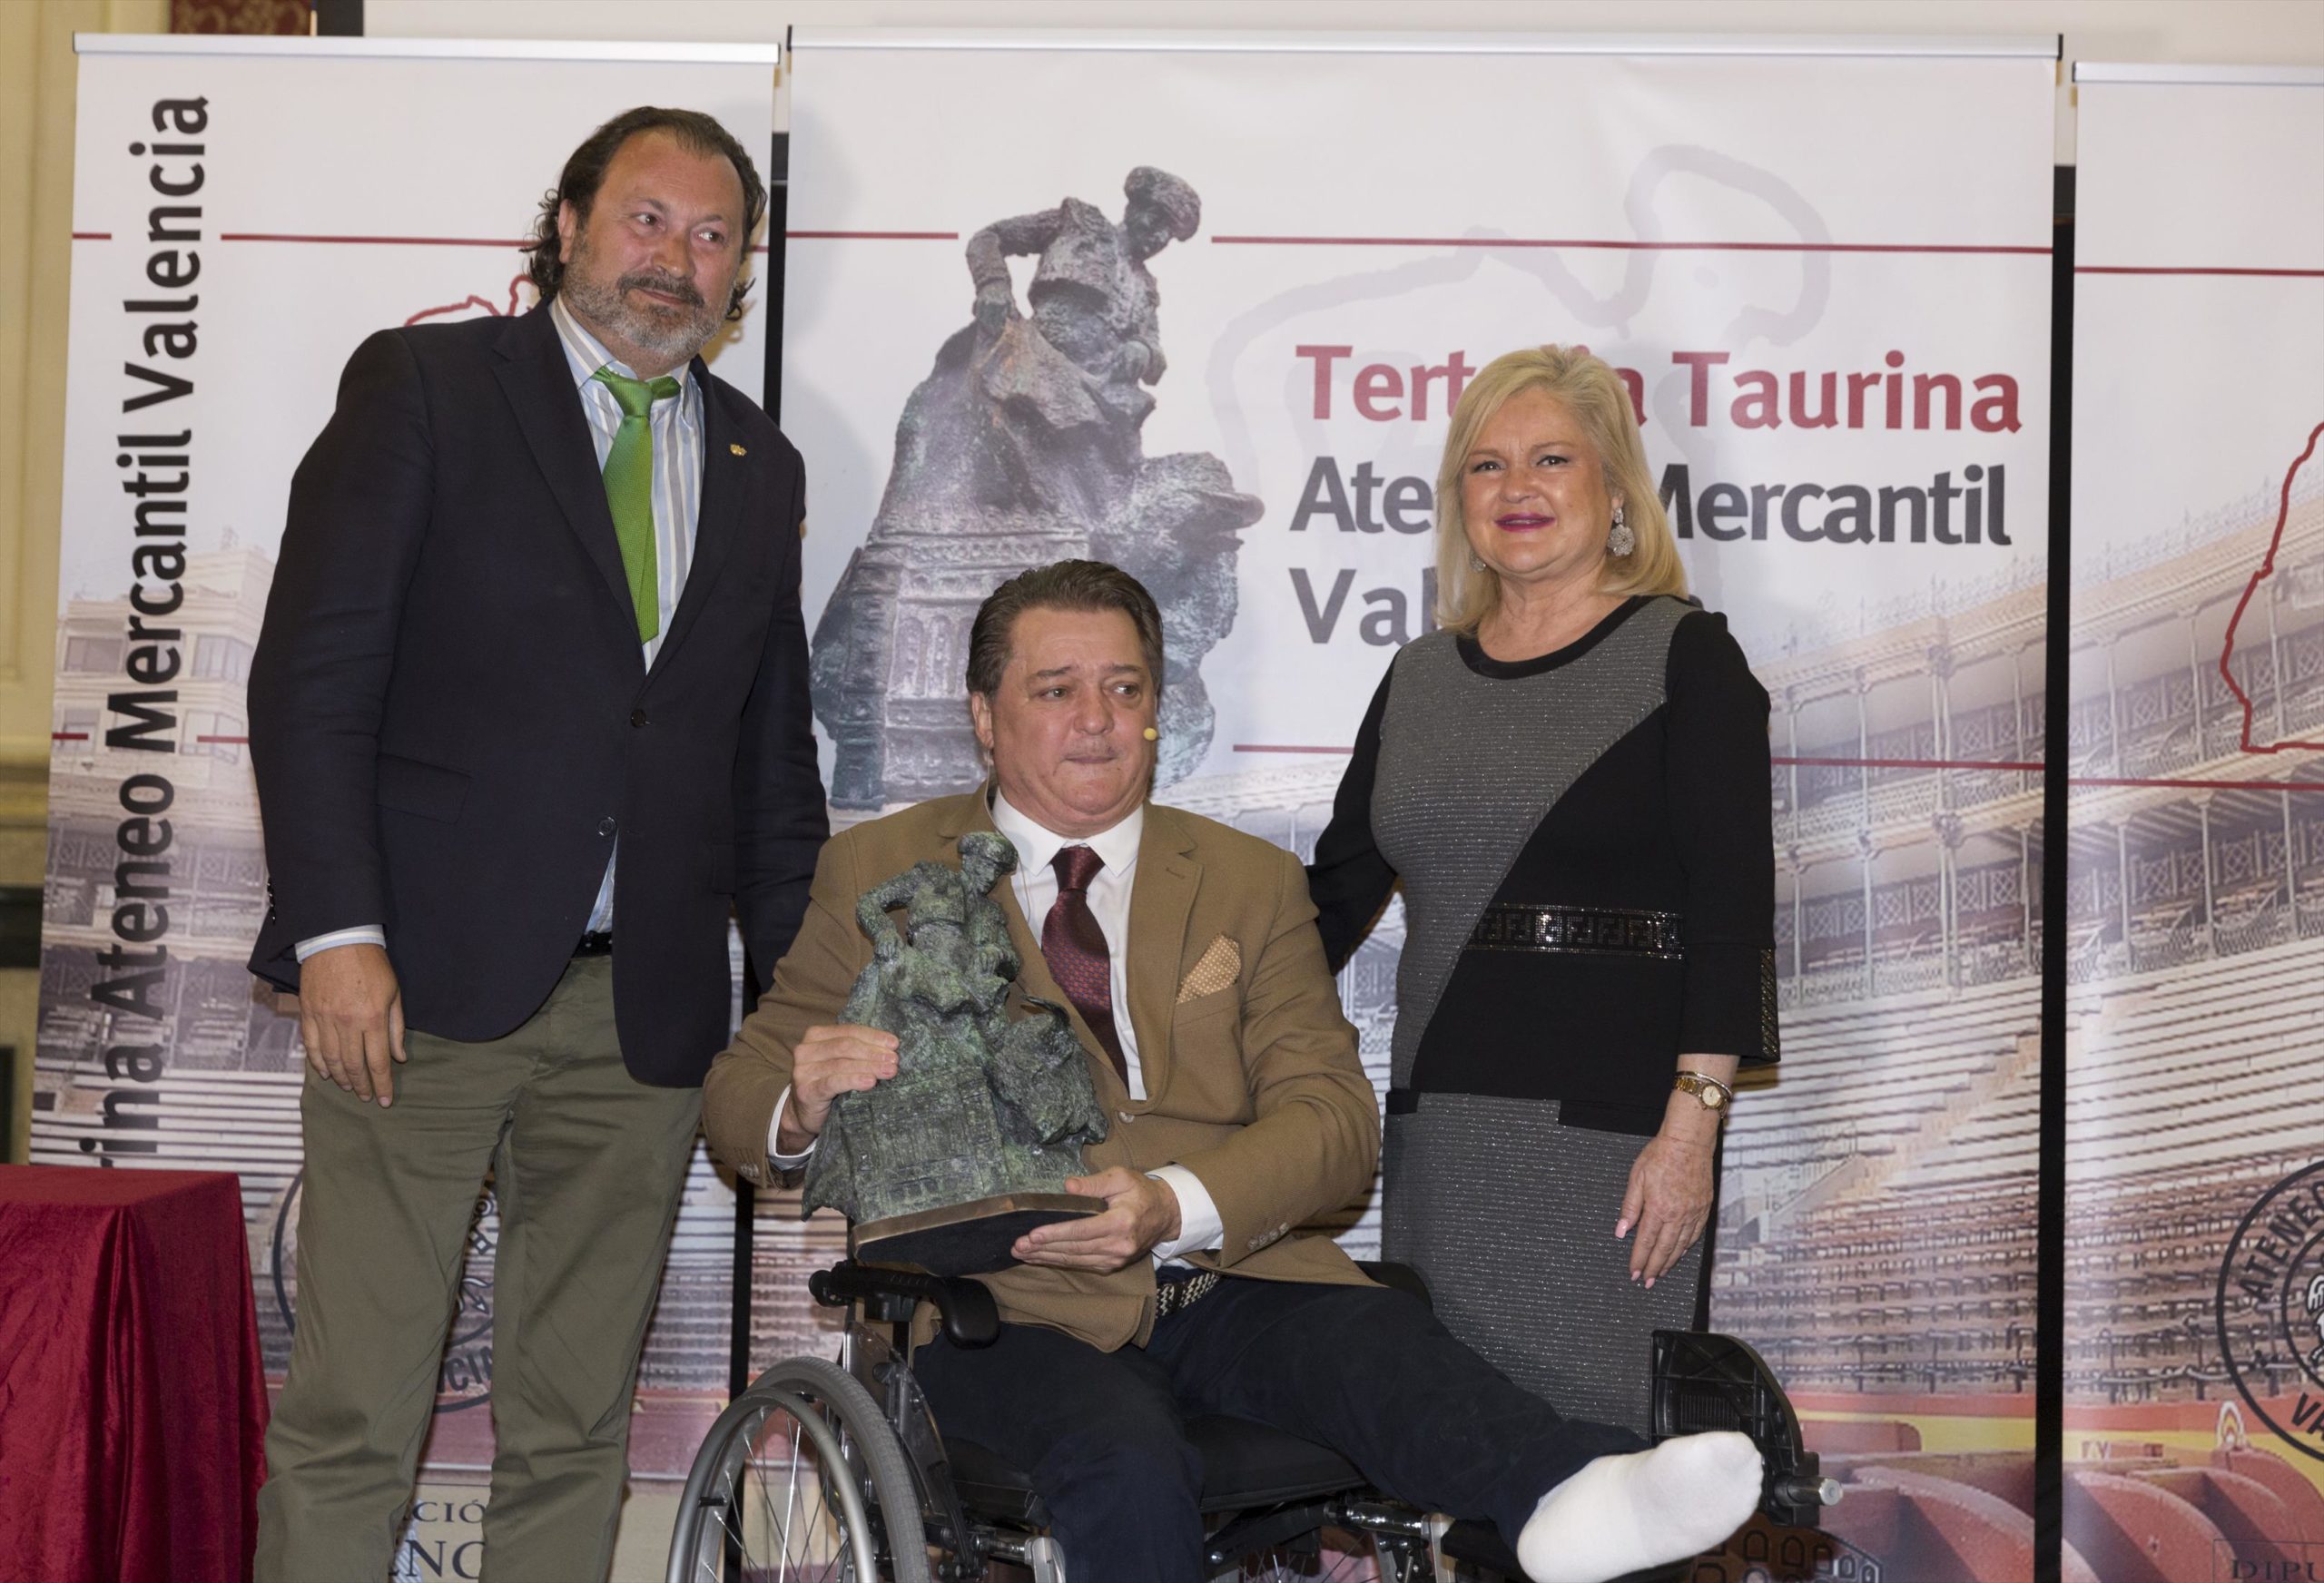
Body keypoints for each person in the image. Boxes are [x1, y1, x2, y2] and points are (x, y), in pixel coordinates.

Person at [704, 559, 1762, 1583]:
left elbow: (1333, 1121)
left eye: (1125, 689)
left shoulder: (1248, 880)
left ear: (1155, 711)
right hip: (999, 1301)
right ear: (985, 715)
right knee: (1125, 1458)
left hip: (1227, 1272)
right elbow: (738, 1096)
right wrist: (799, 1101)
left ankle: (1571, 1492)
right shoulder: (882, 871)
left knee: (1382, 1347)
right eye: (1055, 689)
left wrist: (1171, 1204)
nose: (1096, 719)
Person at [245, 106, 826, 1581]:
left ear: (742, 275)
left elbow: (768, 768)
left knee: (576, 1424)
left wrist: (801, 1007)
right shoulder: (429, 388)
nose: (676, 259)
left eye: (713, 236)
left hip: (644, 1018)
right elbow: (314, 677)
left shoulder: (761, 463)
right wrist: (336, 935)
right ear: (568, 225)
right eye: (647, 218)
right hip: (414, 992)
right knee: (356, 1414)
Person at [1306, 345, 1780, 1436]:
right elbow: (1326, 904)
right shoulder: (1417, 676)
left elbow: (1731, 915)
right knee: (1450, 1454)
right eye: (1486, 465)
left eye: (1550, 459)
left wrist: (1690, 1135)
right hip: (1442, 1142)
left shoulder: (1687, 658)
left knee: (1601, 1476)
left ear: (1614, 489)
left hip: (1620, 1154)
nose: (1515, 487)